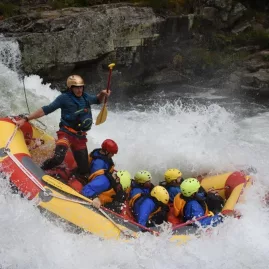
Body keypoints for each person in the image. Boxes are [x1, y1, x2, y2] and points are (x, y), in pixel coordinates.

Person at [14, 75, 110, 181]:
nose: (79, 90)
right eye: (76, 87)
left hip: (80, 137)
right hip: (66, 133)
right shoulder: (64, 98)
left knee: (84, 170)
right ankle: (38, 170)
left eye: (81, 87)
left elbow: (97, 100)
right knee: (58, 159)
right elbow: (46, 109)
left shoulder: (85, 97)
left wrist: (102, 94)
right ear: (70, 88)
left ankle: (70, 178)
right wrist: (26, 119)